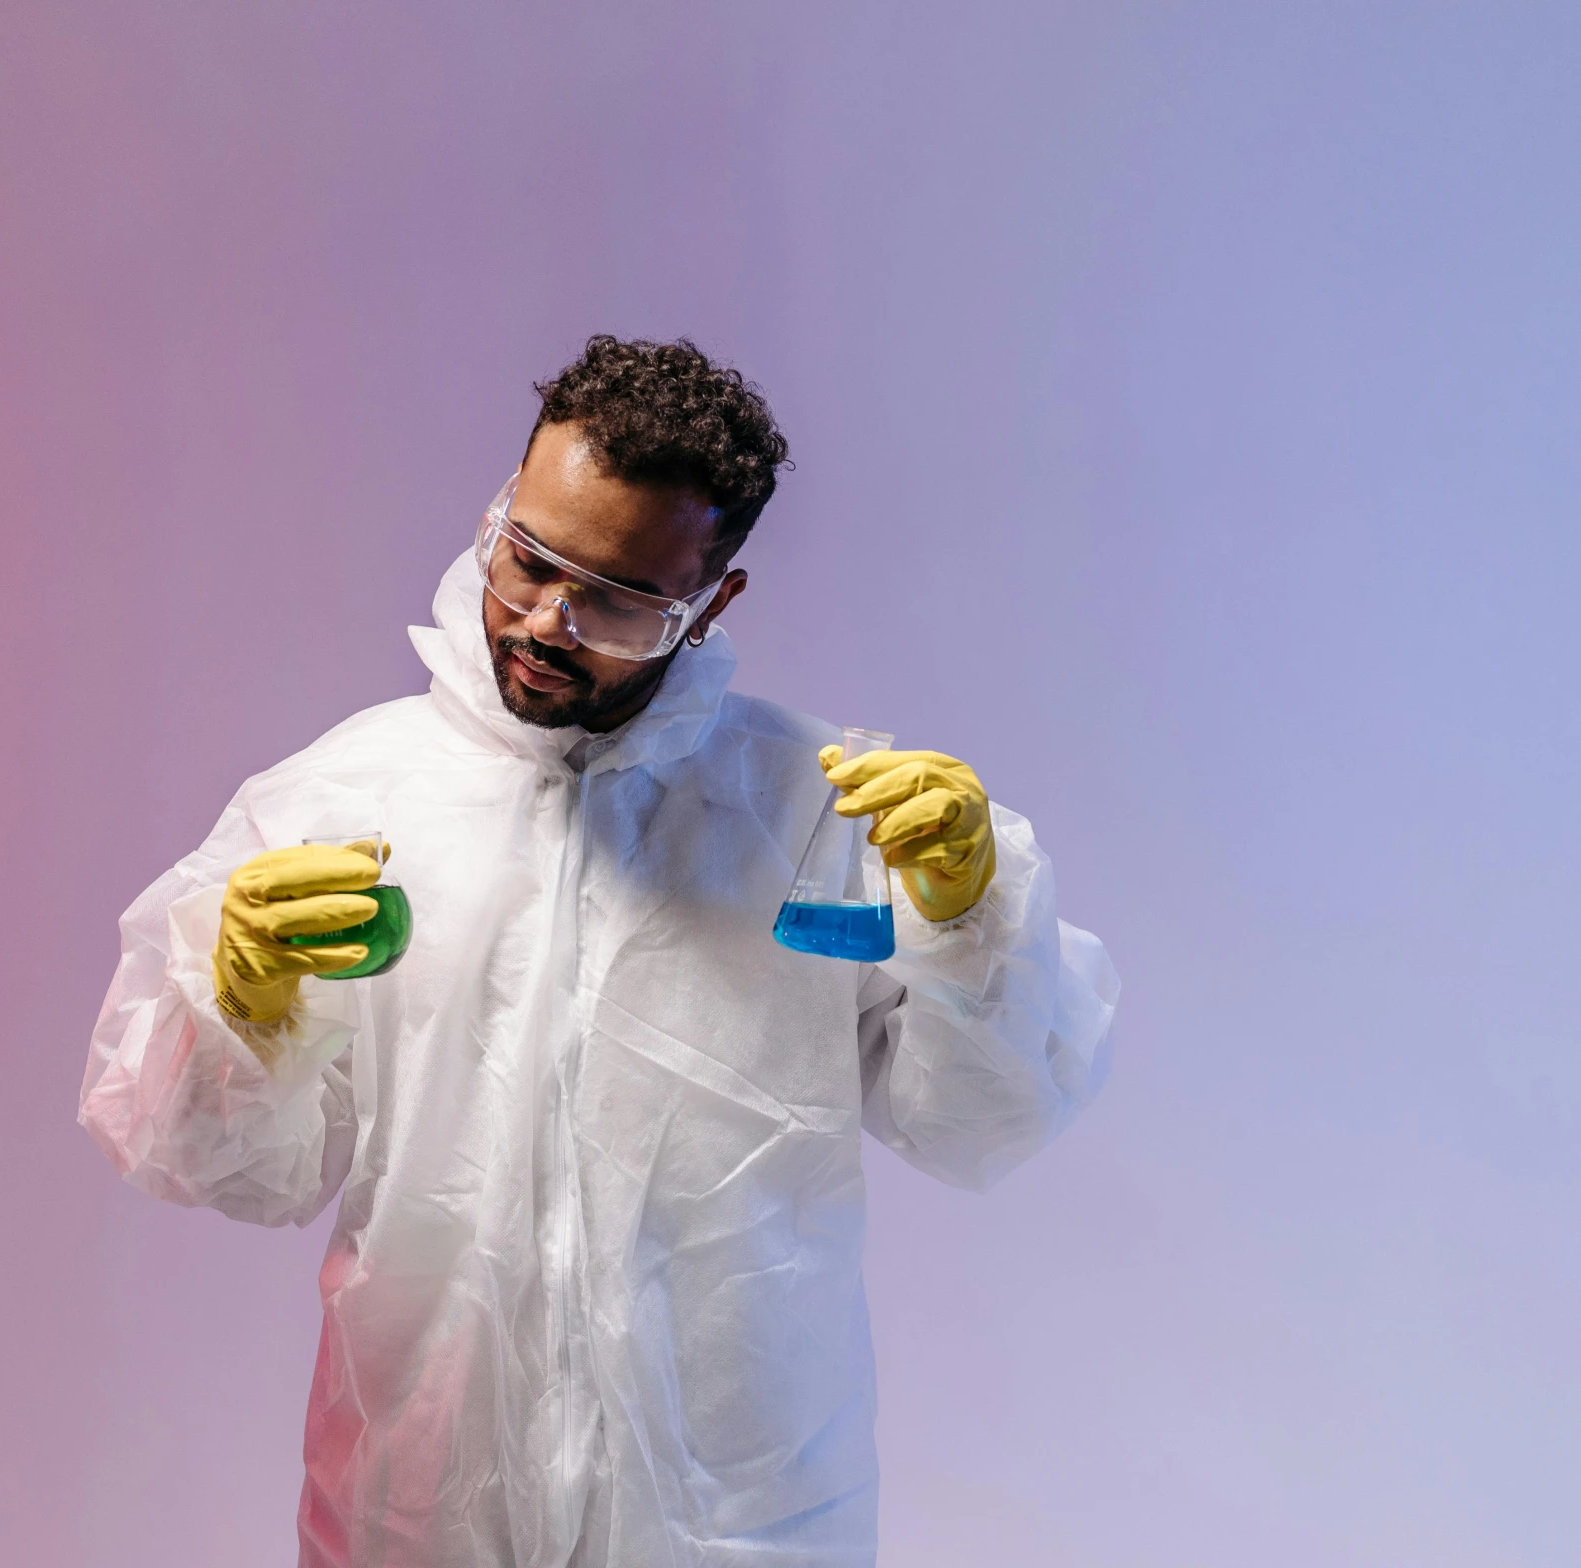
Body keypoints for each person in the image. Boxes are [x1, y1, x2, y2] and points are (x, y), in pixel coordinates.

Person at [79, 336, 1119, 1568]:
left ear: (709, 602)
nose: (543, 621)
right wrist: (237, 1004)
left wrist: (970, 917)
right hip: (421, 1506)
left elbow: (982, 1120)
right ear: (498, 513)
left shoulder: (813, 818)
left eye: (616, 599)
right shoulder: (347, 799)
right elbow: (221, 1165)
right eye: (526, 558)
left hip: (736, 1515)